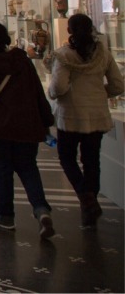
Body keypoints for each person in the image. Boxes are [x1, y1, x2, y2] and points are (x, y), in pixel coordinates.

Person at [0, 22, 55, 238]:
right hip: (27, 124)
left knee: (2, 171)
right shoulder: (22, 61)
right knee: (28, 168)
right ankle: (42, 210)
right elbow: (37, 93)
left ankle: (6, 215)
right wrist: (46, 121)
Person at [47, 13, 124, 228]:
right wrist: (99, 94)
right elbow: (118, 85)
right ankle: (90, 202)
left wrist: (54, 94)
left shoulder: (64, 56)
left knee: (67, 157)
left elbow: (58, 87)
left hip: (70, 115)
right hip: (97, 114)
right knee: (92, 161)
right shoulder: (103, 55)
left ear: (69, 31)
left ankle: (85, 197)